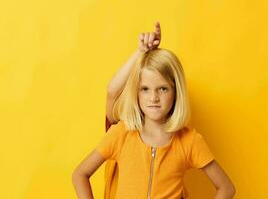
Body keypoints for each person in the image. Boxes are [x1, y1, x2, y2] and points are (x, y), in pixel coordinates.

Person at [72, 22, 236, 199]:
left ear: (176, 92)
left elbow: (226, 188)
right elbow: (80, 174)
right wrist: (141, 52)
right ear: (136, 92)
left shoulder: (189, 141)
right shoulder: (121, 133)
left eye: (163, 89)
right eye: (145, 89)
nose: (153, 98)